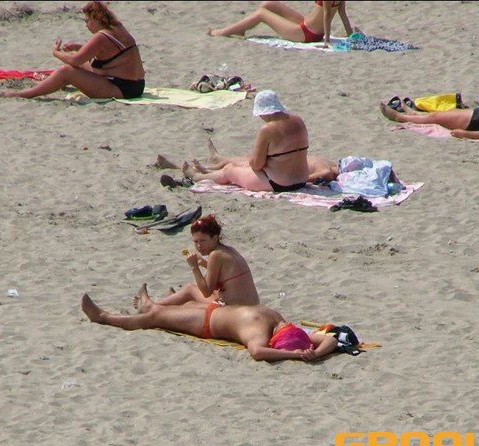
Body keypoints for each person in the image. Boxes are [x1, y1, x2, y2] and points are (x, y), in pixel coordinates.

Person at [82, 293, 338, 362]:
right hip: (214, 310)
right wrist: (315, 352)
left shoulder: (260, 334)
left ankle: (103, 317)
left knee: (155, 317)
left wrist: (292, 356)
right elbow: (333, 338)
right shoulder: (290, 331)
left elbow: (257, 352)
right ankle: (147, 303)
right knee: (188, 300)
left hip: (206, 323)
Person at [0, 1, 144, 99]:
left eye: (87, 21)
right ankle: (52, 83)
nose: (86, 26)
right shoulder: (118, 28)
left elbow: (76, 60)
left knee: (66, 71)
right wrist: (79, 48)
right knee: (79, 65)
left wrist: (56, 53)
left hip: (122, 89)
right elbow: (109, 53)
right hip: (136, 85)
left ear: (95, 18)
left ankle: (25, 94)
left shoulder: (101, 37)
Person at [181, 90, 310, 192]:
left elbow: (256, 165)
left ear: (264, 112)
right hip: (302, 179)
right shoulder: (298, 120)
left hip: (278, 183)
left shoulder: (267, 129)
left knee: (229, 170)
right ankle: (211, 168)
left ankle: (197, 177)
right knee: (245, 162)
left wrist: (249, 162)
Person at [135, 215, 259, 309]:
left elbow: (206, 292)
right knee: (194, 296)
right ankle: (172, 300)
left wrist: (194, 267)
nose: (199, 246)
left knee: (190, 290)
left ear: (215, 238)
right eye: (196, 242)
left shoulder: (215, 255)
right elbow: (221, 275)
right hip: (251, 306)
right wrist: (203, 263)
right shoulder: (228, 250)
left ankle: (152, 306)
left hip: (235, 310)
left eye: (203, 241)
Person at [156, 138, 339, 183]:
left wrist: (303, 179)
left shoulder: (326, 167)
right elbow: (326, 173)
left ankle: (196, 170)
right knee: (245, 160)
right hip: (281, 166)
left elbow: (324, 174)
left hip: (280, 171)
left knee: (237, 166)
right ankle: (215, 160)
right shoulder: (327, 164)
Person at [209, 1, 355, 46]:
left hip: (306, 33)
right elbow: (343, 15)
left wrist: (327, 40)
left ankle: (222, 32)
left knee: (261, 14)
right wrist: (351, 36)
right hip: (308, 26)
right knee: (269, 4)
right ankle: (241, 29)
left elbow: (327, 15)